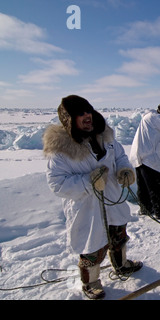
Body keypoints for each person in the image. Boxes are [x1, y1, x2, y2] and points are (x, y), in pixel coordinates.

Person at [43, 95, 142, 300]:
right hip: (87, 207)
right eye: (79, 113)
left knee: (118, 234)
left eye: (88, 110)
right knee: (91, 244)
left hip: (113, 198)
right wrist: (89, 182)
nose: (86, 115)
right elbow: (57, 184)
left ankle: (121, 265)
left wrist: (124, 169)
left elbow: (120, 156)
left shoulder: (106, 136)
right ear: (69, 119)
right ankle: (91, 282)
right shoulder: (61, 151)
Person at [130, 104, 160, 219]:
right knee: (155, 185)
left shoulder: (148, 119)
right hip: (148, 156)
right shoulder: (153, 117)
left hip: (140, 156)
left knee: (143, 185)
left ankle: (146, 208)